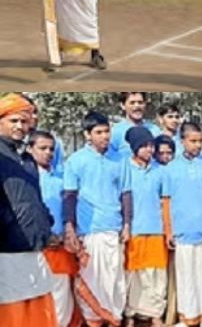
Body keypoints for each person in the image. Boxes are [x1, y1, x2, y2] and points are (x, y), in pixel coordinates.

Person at [62, 111, 130, 326]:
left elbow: (126, 193)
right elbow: (69, 196)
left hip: (114, 228)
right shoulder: (76, 160)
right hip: (90, 230)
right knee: (93, 280)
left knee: (115, 281)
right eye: (99, 132)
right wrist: (70, 227)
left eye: (106, 131)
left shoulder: (120, 158)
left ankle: (113, 319)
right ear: (87, 135)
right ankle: (93, 321)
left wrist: (127, 225)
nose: (104, 136)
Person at [0, 95, 58, 327]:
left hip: (34, 247)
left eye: (24, 122)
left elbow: (35, 199)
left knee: (39, 311)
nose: (19, 127)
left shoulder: (27, 159)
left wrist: (46, 223)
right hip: (6, 250)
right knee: (12, 315)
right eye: (13, 120)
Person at [162, 122, 202, 326]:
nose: (197, 145)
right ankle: (188, 316)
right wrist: (169, 231)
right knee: (186, 275)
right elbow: (166, 202)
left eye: (200, 141)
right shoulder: (171, 169)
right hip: (183, 231)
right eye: (193, 141)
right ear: (182, 141)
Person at [29, 130, 79, 327]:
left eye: (51, 149)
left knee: (61, 295)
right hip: (34, 247)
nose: (48, 153)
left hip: (59, 245)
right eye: (42, 148)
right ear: (29, 149)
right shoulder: (25, 179)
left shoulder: (61, 180)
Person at [123, 127, 167, 326]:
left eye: (151, 146)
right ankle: (130, 313)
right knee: (133, 274)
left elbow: (165, 201)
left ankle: (155, 312)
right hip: (134, 229)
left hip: (156, 229)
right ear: (134, 148)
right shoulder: (125, 169)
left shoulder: (160, 171)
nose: (149, 150)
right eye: (144, 146)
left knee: (157, 274)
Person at [110, 93, 161, 158]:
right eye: (132, 103)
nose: (137, 106)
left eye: (140, 102)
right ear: (122, 105)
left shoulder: (154, 130)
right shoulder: (115, 132)